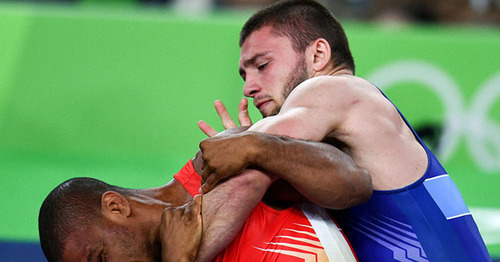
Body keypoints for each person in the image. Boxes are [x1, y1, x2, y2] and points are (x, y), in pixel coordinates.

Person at [197, 0, 491, 261]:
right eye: (244, 75)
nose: (249, 87)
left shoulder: (332, 88)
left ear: (318, 55)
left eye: (262, 65)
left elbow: (249, 148)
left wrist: (237, 144)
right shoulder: (351, 118)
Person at [38, 128, 361, 261]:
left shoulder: (218, 166)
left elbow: (354, 181)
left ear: (115, 206)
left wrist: (262, 147)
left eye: (100, 258)